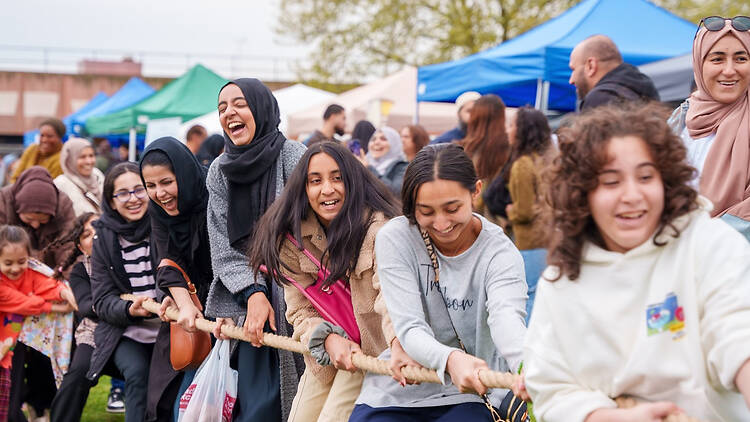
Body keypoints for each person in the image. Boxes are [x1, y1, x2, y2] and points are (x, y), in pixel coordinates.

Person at [523, 104, 750, 421]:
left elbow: (736, 330)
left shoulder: (708, 244)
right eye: (611, 182)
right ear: (581, 193)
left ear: (666, 181)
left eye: (645, 176)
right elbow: (553, 389)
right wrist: (616, 418)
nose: (632, 195)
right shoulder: (561, 281)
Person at [350, 143, 528, 422]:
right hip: (403, 384)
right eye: (426, 212)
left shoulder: (500, 254)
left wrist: (528, 369)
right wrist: (451, 359)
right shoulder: (395, 238)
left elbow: (506, 321)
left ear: (476, 192)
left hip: (473, 390)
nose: (441, 223)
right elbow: (410, 326)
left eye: (452, 208)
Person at [248, 141, 402, 422]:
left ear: (353, 181)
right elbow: (298, 310)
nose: (327, 190)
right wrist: (326, 338)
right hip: (326, 354)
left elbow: (392, 300)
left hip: (374, 356)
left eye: (337, 178)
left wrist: (399, 345)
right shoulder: (290, 239)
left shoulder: (380, 230)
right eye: (315, 181)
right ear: (303, 189)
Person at [207, 78, 306, 421]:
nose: (229, 113)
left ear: (262, 109)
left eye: (239, 104)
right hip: (250, 300)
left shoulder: (294, 157)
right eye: (222, 108)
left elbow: (313, 233)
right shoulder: (220, 171)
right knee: (257, 406)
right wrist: (252, 292)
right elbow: (222, 246)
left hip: (303, 294)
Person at [87, 162, 179, 422]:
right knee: (138, 374)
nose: (133, 199)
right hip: (127, 332)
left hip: (169, 328)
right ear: (111, 201)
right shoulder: (103, 239)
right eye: (123, 193)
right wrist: (129, 309)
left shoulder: (164, 225)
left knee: (170, 387)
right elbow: (102, 300)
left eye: (139, 190)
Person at [139, 136, 214, 419]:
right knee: (165, 396)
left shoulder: (214, 195)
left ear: (183, 173)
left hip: (225, 306)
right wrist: (183, 304)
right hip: (184, 305)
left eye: (167, 182)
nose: (159, 193)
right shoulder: (158, 212)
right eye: (151, 186)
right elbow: (168, 260)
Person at [668, 17, 750, 241]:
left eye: (741, 58)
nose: (729, 70)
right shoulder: (680, 118)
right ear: (699, 63)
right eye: (717, 59)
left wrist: (707, 241)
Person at [49, 213, 124, 421]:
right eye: (87, 234)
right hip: (96, 331)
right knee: (77, 373)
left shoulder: (130, 257)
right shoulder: (81, 270)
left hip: (133, 330)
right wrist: (117, 305)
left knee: (143, 373)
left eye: (99, 229)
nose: (95, 236)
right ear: (81, 247)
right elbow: (85, 307)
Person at [0, 225, 77, 422]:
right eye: (8, 263)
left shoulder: (29, 273)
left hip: (10, 347)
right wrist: (58, 308)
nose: (15, 268)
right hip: (5, 344)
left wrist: (63, 291)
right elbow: (22, 302)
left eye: (21, 262)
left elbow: (46, 284)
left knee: (9, 403)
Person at [504, 106, 554, 321]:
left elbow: (524, 211)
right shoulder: (550, 160)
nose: (508, 130)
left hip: (530, 241)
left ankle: (528, 352)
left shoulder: (522, 165)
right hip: (551, 239)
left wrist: (511, 212)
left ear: (522, 130)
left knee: (531, 297)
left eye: (512, 124)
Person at [568, 34, 660, 112]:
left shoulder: (600, 99)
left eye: (573, 69)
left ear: (591, 66)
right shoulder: (644, 93)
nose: (571, 80)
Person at [460, 94, 510, 220]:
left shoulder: (464, 149)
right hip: (500, 221)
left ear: (475, 117)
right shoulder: (510, 149)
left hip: (469, 218)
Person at [53, 137, 104, 216]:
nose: (88, 161)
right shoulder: (61, 184)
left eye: (91, 155)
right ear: (70, 159)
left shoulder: (97, 175)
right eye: (82, 157)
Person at [356, 127, 408, 196]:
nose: (376, 142)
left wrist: (368, 169)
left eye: (383, 139)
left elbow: (395, 193)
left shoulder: (402, 167)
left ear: (394, 144)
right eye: (373, 139)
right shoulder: (362, 163)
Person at [11, 119, 65, 184]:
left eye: (50, 136)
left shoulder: (62, 158)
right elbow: (15, 177)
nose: (44, 140)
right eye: (42, 135)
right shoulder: (32, 149)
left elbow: (51, 185)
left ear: (60, 137)